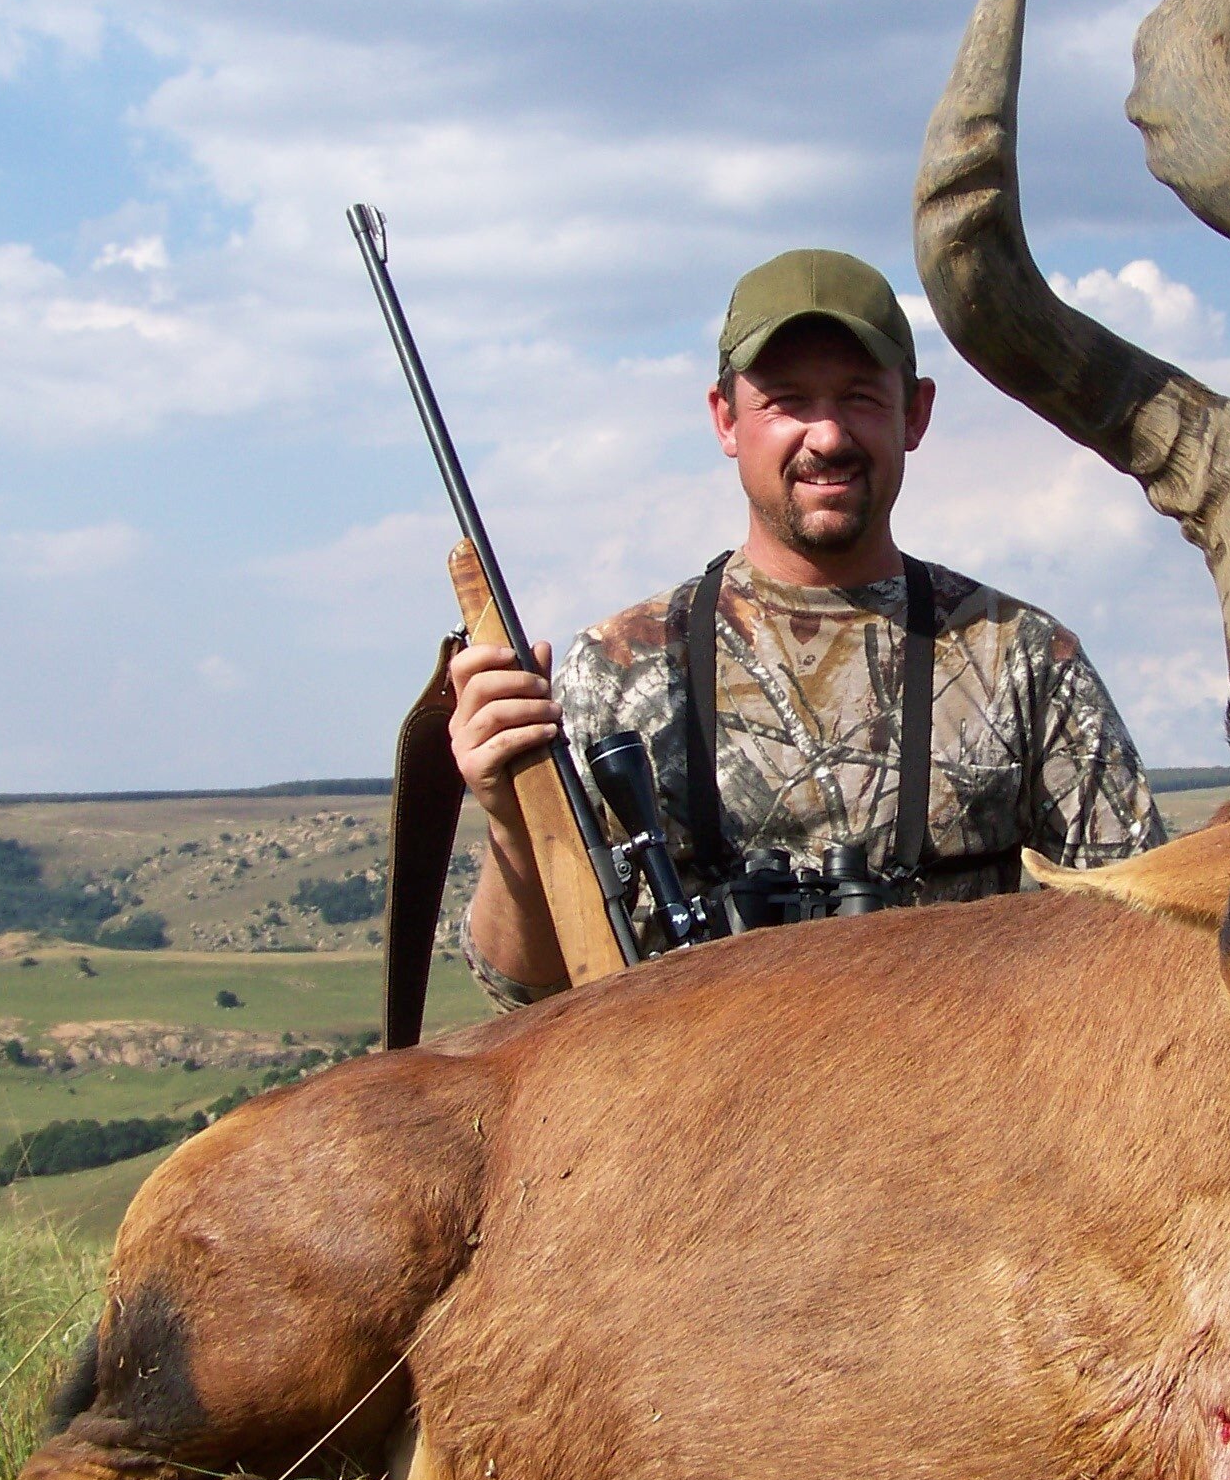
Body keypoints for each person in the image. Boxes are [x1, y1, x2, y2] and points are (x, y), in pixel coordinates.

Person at [451, 247, 1165, 1007]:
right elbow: (524, 993)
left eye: (859, 396)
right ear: (726, 419)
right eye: (786, 401)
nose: (826, 437)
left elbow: (1146, 955)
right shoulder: (616, 670)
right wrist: (510, 821)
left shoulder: (1025, 659)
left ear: (914, 413)